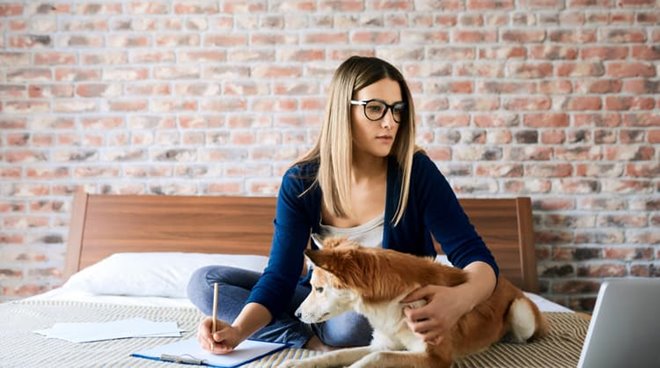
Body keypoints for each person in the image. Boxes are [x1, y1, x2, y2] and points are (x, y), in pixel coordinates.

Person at [186, 55, 499, 353]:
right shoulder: (302, 182)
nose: (390, 122)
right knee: (204, 283)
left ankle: (319, 331)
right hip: (319, 295)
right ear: (342, 111)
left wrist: (459, 300)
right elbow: (281, 276)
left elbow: (475, 256)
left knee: (353, 325)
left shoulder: (415, 173)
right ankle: (306, 339)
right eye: (375, 108)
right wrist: (238, 331)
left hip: (380, 309)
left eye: (397, 109)